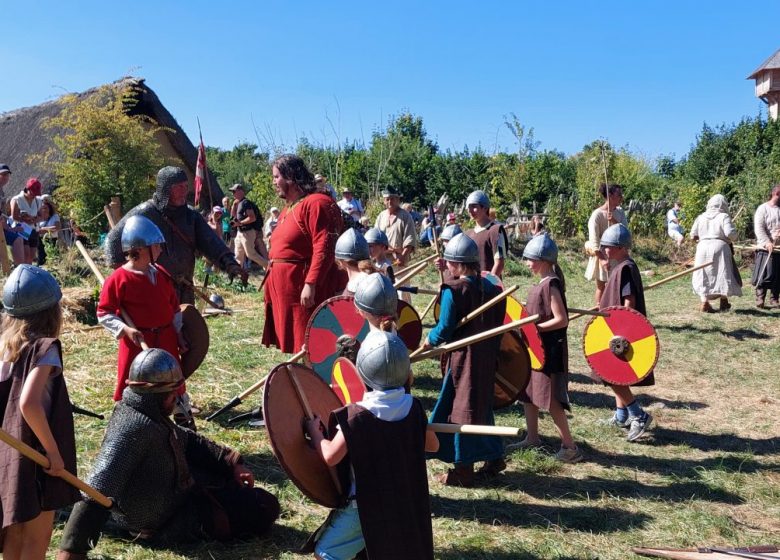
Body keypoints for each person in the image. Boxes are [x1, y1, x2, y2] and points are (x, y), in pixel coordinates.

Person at [56, 349, 280, 559]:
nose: (175, 397)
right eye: (172, 392)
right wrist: (71, 550)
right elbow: (97, 490)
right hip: (166, 523)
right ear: (157, 394)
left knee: (227, 480)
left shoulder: (148, 414)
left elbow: (186, 440)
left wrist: (232, 463)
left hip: (175, 496)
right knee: (264, 506)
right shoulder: (133, 428)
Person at [305, 330, 438, 560]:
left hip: (366, 508)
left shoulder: (356, 417)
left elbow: (330, 456)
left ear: (363, 373)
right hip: (404, 503)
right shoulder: (414, 408)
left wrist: (314, 434)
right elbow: (433, 445)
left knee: (325, 552)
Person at [0, 265, 79, 560]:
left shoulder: (4, 347)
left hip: (7, 455)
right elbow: (29, 403)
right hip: (36, 457)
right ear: (52, 311)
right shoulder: (45, 348)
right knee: (37, 536)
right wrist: (53, 453)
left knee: (14, 532)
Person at [422, 233, 506, 486]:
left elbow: (444, 328)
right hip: (487, 356)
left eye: (449, 262)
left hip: (463, 359)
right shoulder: (492, 289)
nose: (447, 266)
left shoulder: (455, 291)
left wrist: (429, 340)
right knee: (479, 406)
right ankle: (494, 457)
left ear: (458, 264)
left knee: (461, 410)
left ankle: (463, 469)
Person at [97, 215, 193, 428]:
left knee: (173, 385)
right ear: (140, 249)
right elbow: (104, 312)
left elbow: (174, 308)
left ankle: (183, 427)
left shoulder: (160, 273)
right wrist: (124, 329)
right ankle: (133, 428)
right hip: (136, 343)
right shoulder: (118, 279)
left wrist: (178, 335)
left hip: (166, 339)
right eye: (156, 246)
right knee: (136, 388)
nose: (160, 250)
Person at [104, 166, 245, 305]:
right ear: (165, 189)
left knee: (185, 326)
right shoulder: (146, 213)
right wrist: (131, 276)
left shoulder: (191, 216)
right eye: (178, 187)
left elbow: (211, 242)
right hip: (155, 290)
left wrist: (230, 263)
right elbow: (113, 240)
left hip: (185, 289)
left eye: (185, 186)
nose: (184, 192)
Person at [507, 234, 581, 463]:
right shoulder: (541, 283)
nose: (527, 263)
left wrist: (535, 329)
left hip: (549, 350)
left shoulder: (551, 285)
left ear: (542, 260)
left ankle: (570, 447)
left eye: (530, 259)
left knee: (550, 400)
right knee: (528, 392)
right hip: (534, 349)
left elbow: (561, 319)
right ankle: (532, 437)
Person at [262, 155, 346, 353]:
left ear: (290, 177)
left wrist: (311, 283)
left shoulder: (317, 203)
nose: (273, 182)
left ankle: (314, 380)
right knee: (299, 345)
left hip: (303, 285)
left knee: (311, 342)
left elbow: (324, 245)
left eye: (276, 177)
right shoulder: (288, 209)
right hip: (287, 286)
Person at [597, 224, 655, 442]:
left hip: (621, 332)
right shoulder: (619, 266)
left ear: (621, 247)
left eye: (609, 247)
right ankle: (621, 415)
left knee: (612, 375)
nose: (605, 251)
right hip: (614, 327)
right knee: (616, 374)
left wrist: (623, 328)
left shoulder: (626, 268)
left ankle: (638, 414)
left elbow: (628, 300)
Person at [690, 195, 742, 312]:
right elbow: (730, 234)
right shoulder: (724, 216)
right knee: (723, 273)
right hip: (720, 247)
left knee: (702, 274)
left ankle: (705, 302)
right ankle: (723, 301)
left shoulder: (701, 217)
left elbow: (692, 235)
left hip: (702, 247)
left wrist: (701, 238)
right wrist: (734, 235)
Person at [584, 183, 628, 305]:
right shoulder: (597, 215)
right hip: (602, 255)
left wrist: (613, 220)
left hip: (618, 255)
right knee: (602, 287)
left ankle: (615, 314)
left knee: (617, 287)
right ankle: (599, 315)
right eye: (619, 195)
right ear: (610, 196)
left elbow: (624, 232)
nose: (621, 197)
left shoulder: (619, 212)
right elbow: (594, 241)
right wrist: (602, 259)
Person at [375, 187, 417, 302]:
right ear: (384, 201)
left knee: (402, 292)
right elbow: (375, 237)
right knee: (383, 291)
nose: (390, 202)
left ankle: (406, 318)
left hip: (399, 260)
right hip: (383, 260)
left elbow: (410, 237)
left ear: (398, 200)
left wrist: (403, 256)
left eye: (393, 199)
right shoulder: (381, 216)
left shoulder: (405, 216)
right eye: (387, 199)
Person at [465, 190, 508, 278]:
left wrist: (488, 284)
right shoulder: (468, 234)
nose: (470, 210)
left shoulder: (495, 231)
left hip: (489, 288)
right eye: (468, 207)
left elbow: (499, 263)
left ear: (485, 208)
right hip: (471, 286)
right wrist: (445, 264)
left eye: (474, 206)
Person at [229, 184, 268, 272]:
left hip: (248, 232)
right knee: (238, 256)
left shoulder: (246, 203)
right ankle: (238, 275)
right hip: (240, 232)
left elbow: (252, 217)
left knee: (250, 254)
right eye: (232, 192)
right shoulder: (239, 203)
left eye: (234, 191)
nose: (233, 194)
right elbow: (232, 217)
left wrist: (240, 223)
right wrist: (233, 206)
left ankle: (268, 266)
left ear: (241, 191)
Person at [752, 184, 780, 308]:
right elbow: (759, 227)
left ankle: (774, 299)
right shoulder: (763, 208)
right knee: (764, 274)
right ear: (777, 193)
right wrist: (766, 241)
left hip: (779, 248)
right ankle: (760, 298)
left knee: (778, 275)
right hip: (765, 247)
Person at [10, 177, 43, 265]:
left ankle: (28, 275)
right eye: (33, 193)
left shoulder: (38, 201)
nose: (34, 195)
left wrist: (35, 219)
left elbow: (41, 216)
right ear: (27, 189)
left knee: (31, 256)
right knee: (26, 254)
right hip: (22, 229)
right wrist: (25, 220)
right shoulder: (17, 199)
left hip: (34, 230)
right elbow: (14, 217)